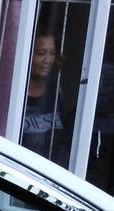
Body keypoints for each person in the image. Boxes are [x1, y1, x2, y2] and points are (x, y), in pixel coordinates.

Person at [21, 33, 70, 165]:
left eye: (52, 53)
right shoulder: (16, 94)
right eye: (41, 53)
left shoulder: (55, 91)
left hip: (47, 173)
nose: (47, 60)